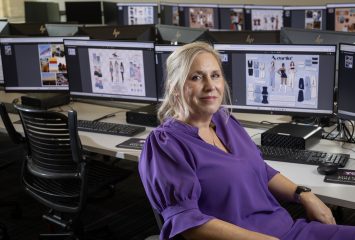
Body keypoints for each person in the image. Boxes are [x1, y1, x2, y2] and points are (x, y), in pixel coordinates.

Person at [138, 42, 355, 240]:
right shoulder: (165, 145)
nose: (210, 85)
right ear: (175, 88)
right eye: (196, 77)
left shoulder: (225, 121)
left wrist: (304, 194)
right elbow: (188, 224)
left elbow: (258, 167)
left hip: (289, 230)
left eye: (215, 75)